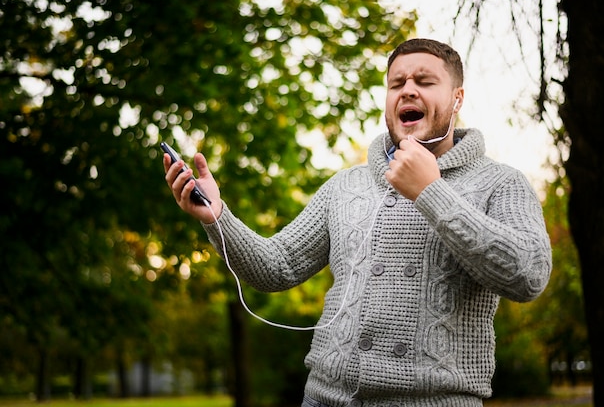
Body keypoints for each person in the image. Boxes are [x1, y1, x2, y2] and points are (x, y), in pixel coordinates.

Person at [164, 38, 552, 407]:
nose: (408, 89)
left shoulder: (500, 182)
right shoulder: (346, 185)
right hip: (324, 398)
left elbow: (529, 275)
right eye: (397, 82)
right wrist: (218, 217)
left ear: (457, 98)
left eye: (425, 80)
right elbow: (276, 267)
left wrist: (430, 191)